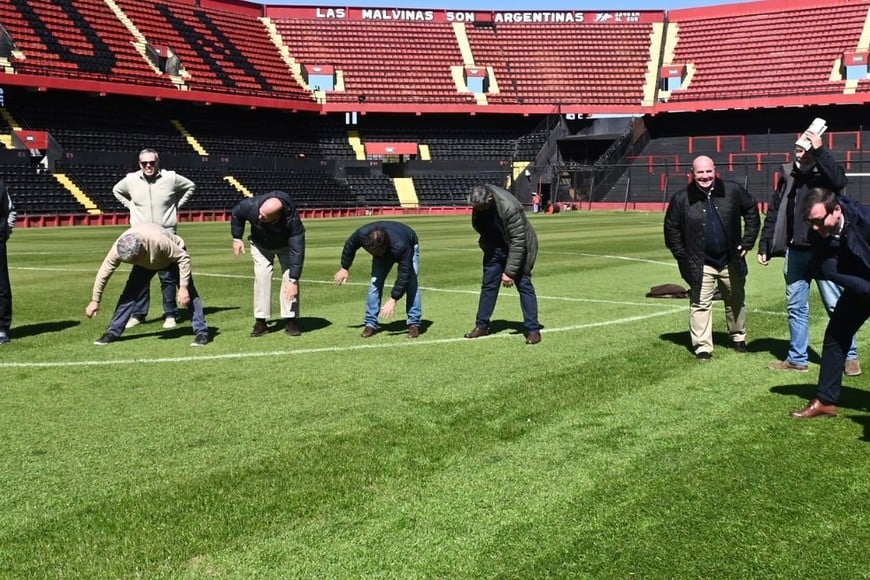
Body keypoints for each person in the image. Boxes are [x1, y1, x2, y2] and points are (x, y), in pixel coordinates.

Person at [757, 129, 861, 375]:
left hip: (824, 252)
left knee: (837, 306)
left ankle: (850, 356)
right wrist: (765, 245)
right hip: (795, 253)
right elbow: (774, 212)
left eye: (806, 150)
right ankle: (797, 358)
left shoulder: (824, 176)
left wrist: (820, 149)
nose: (802, 155)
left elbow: (839, 180)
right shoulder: (788, 176)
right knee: (796, 306)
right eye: (799, 150)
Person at [664, 155, 760, 359]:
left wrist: (748, 240)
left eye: (708, 171)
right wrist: (683, 256)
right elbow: (671, 229)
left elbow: (751, 209)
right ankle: (703, 347)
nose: (705, 176)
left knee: (735, 299)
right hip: (701, 262)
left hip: (730, 259)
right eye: (700, 172)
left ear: (715, 171)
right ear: (693, 174)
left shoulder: (732, 191)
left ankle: (738, 337)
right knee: (699, 303)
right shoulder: (682, 198)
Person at [791, 187, 870, 418]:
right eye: (811, 222)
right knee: (836, 335)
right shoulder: (818, 233)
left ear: (836, 210)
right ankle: (825, 400)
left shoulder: (865, 219)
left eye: (819, 221)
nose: (815, 228)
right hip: (860, 285)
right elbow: (827, 266)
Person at [85, 223, 209, 347]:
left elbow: (184, 258)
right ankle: (112, 332)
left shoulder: (158, 240)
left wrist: (183, 287)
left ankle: (201, 332)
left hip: (172, 259)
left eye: (134, 258)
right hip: (145, 264)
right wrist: (95, 300)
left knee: (189, 294)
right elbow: (104, 272)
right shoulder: (118, 248)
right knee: (129, 295)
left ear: (142, 247)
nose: (133, 262)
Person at [113, 148, 195, 330]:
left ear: (158, 163)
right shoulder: (131, 180)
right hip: (141, 236)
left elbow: (190, 186)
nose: (148, 166)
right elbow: (116, 191)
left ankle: (170, 313)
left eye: (152, 162)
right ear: (139, 164)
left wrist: (176, 206)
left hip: (166, 234)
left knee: (167, 277)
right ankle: (139, 315)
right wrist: (131, 207)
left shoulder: (171, 178)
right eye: (144, 163)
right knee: (141, 278)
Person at [464, 184, 542, 344]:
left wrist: (510, 272)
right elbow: (480, 227)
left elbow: (518, 242)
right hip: (494, 247)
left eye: (480, 206)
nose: (477, 209)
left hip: (518, 247)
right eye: (475, 207)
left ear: (490, 199)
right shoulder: (479, 204)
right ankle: (482, 325)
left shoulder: (510, 208)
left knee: (524, 285)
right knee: (488, 286)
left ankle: (533, 330)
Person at [231, 191, 305, 337]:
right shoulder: (251, 205)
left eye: (264, 217)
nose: (259, 217)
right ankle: (261, 321)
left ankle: (291, 321)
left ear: (277, 216)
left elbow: (297, 250)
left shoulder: (293, 221)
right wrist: (236, 238)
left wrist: (294, 280)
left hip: (286, 246)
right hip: (260, 245)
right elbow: (236, 214)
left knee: (289, 280)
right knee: (262, 277)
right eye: (260, 213)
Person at [333, 221, 422, 338]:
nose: (374, 254)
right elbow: (350, 246)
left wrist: (393, 299)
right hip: (388, 248)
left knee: (412, 284)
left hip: (409, 243)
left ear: (383, 246)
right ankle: (371, 324)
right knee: (375, 284)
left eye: (377, 251)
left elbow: (405, 273)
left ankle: (414, 323)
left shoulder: (401, 246)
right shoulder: (362, 234)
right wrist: (345, 268)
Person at [0, 179, 15, 345]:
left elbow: (11, 210)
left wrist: (5, 231)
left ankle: (2, 328)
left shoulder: (0, 186)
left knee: (1, 285)